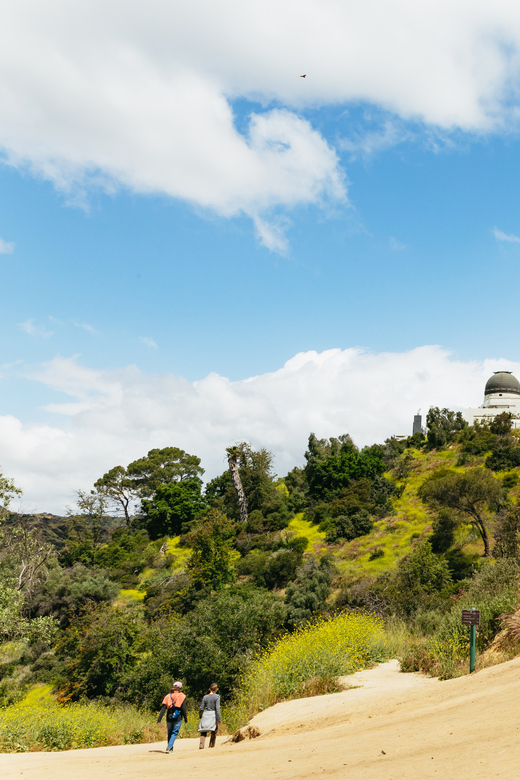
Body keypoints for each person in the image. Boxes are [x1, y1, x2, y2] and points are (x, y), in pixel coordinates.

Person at [157, 681, 187, 753]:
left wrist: (159, 719)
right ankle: (169, 747)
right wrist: (185, 718)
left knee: (169, 732)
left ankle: (170, 748)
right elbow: (183, 708)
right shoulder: (182, 696)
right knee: (175, 732)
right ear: (180, 688)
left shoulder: (168, 696)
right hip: (178, 716)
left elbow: (163, 708)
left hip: (169, 716)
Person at [198, 682, 221, 749]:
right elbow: (217, 708)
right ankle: (211, 744)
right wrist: (219, 718)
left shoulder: (205, 697)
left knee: (203, 730)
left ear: (209, 689)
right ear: (217, 689)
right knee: (214, 729)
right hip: (213, 714)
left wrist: (200, 715)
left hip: (206, 713)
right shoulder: (217, 697)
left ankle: (201, 744)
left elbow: (201, 707)